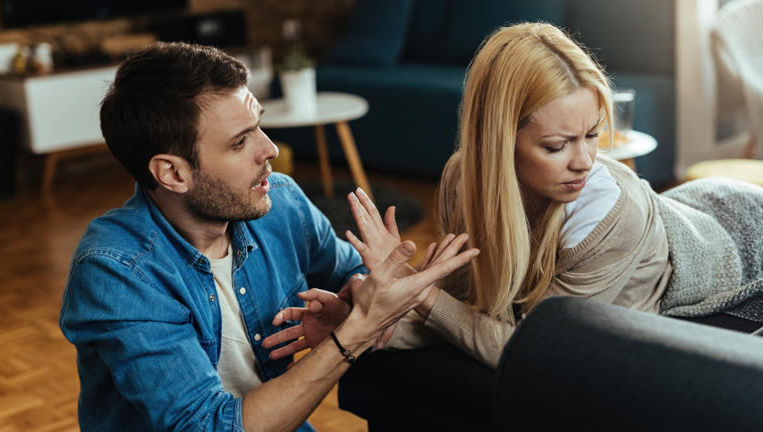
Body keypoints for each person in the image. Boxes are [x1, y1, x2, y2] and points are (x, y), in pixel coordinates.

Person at [274, 22, 763, 370]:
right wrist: (358, 330)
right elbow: (471, 305)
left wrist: (418, 290)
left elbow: (532, 348)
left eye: (592, 135)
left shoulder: (610, 215)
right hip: (697, 207)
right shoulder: (463, 180)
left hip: (740, 237)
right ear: (499, 141)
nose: (585, 161)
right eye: (556, 145)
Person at [58, 42, 479, 431]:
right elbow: (208, 426)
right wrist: (355, 332)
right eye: (240, 142)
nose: (270, 150)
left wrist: (363, 295)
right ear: (173, 173)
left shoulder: (281, 203)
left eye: (258, 126)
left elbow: (352, 278)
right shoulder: (117, 273)